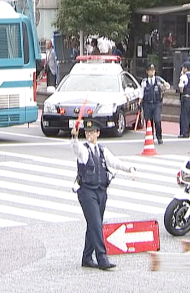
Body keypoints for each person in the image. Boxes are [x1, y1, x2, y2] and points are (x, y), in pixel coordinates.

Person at [71, 119, 136, 270]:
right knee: (95, 223)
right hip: (87, 191)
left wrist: (130, 168)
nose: (90, 135)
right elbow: (76, 148)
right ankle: (102, 258)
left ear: (98, 133)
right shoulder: (84, 150)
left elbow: (114, 162)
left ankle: (87, 257)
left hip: (101, 191)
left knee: (94, 224)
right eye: (87, 132)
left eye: (92, 132)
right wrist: (74, 137)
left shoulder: (102, 150)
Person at [139, 64, 169, 144]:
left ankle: (159, 137)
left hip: (157, 103)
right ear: (147, 72)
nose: (152, 72)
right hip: (147, 104)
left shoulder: (158, 80)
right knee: (149, 121)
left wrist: (165, 85)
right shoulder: (144, 82)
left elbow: (167, 86)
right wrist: (140, 100)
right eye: (150, 70)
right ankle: (150, 136)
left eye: (153, 70)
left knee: (157, 120)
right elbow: (141, 92)